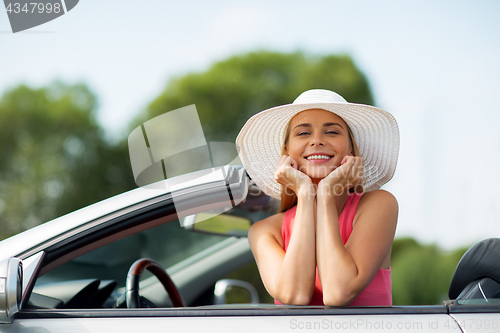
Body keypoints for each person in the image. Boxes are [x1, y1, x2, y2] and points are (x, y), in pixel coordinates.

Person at [236, 89, 399, 306]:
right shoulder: (265, 231)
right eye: (303, 133)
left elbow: (338, 292)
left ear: (350, 147)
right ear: (286, 152)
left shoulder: (378, 205)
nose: (317, 141)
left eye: (332, 132)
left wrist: (326, 195)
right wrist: (304, 193)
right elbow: (295, 296)